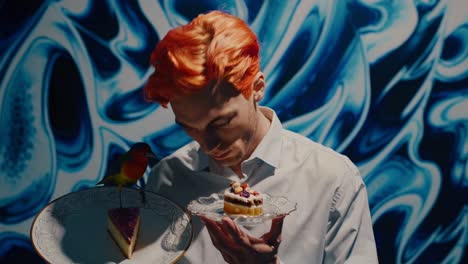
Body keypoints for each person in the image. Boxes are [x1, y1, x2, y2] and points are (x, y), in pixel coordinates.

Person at [144, 10, 378, 264]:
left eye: (221, 122)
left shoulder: (332, 180)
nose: (209, 145)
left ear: (257, 88)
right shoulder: (167, 179)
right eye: (190, 127)